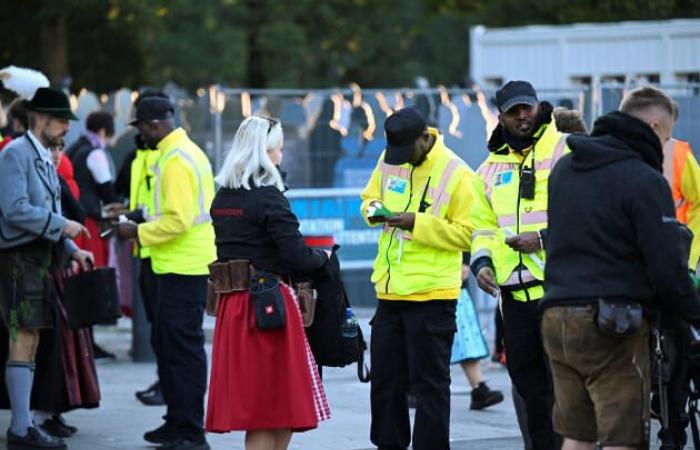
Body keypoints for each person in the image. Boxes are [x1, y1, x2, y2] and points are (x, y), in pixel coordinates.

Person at [541, 85, 700, 450]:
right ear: (656, 125)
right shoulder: (644, 179)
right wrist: (693, 314)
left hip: (556, 316)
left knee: (577, 436)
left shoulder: (565, 170)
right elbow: (666, 268)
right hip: (612, 321)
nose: (666, 147)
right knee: (621, 439)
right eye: (667, 136)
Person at [205, 115, 330, 450]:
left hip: (234, 305)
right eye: (278, 150)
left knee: (270, 406)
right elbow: (296, 256)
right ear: (266, 152)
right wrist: (325, 259)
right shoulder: (268, 197)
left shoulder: (223, 198)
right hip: (267, 306)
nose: (281, 157)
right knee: (272, 407)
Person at [360, 107, 474, 450]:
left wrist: (417, 223)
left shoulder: (457, 173)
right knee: (385, 383)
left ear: (426, 137)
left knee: (430, 386)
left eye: (406, 152)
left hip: (432, 294)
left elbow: (470, 233)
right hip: (391, 291)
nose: (399, 160)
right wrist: (373, 211)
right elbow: (369, 197)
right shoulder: (392, 157)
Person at [469, 80, 569, 450]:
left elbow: (582, 214)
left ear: (538, 106)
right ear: (502, 117)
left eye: (527, 107)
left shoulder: (563, 149)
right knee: (528, 386)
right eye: (514, 111)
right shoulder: (489, 169)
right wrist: (481, 263)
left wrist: (540, 239)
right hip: (512, 296)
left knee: (563, 385)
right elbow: (481, 227)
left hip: (558, 289)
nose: (522, 115)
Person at [116, 96, 216, 450]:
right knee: (173, 347)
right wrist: (141, 217)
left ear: (154, 125)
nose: (141, 134)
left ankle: (189, 429)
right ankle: (177, 422)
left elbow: (178, 220)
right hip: (181, 264)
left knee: (182, 351)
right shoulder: (183, 152)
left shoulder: (174, 160)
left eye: (142, 127)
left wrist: (136, 232)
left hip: (181, 266)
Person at [0, 87, 92, 449]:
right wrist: (62, 227)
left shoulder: (40, 156)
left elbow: (45, 210)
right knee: (23, 337)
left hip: (39, 258)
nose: (66, 128)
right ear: (40, 119)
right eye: (60, 120)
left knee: (32, 337)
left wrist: (70, 249)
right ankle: (21, 429)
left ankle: (24, 425)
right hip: (19, 258)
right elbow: (14, 209)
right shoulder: (15, 155)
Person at [64, 111, 119, 268]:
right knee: (93, 267)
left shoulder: (73, 147)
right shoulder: (95, 153)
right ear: (102, 132)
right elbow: (107, 190)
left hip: (71, 217)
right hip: (90, 222)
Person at [450, 255, 504, 410]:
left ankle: (478, 388)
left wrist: (465, 262)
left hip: (453, 290)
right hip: (432, 289)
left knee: (466, 341)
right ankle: (413, 387)